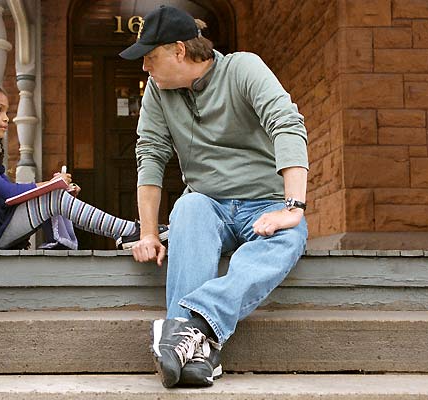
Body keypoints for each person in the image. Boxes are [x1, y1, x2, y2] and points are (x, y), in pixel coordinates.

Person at [119, 5, 308, 388]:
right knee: (188, 206)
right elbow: (150, 155)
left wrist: (293, 207)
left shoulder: (243, 69)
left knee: (291, 235)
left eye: (150, 58)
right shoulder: (158, 91)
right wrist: (150, 233)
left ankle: (189, 330)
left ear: (178, 51)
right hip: (209, 204)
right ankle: (196, 350)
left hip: (266, 201)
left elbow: (287, 124)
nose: (145, 69)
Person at [0, 79, 168, 250]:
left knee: (56, 195)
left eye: (7, 111)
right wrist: (50, 186)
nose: (6, 118)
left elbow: (9, 197)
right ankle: (130, 230)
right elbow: (8, 193)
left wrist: (53, 187)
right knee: (54, 196)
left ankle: (131, 231)